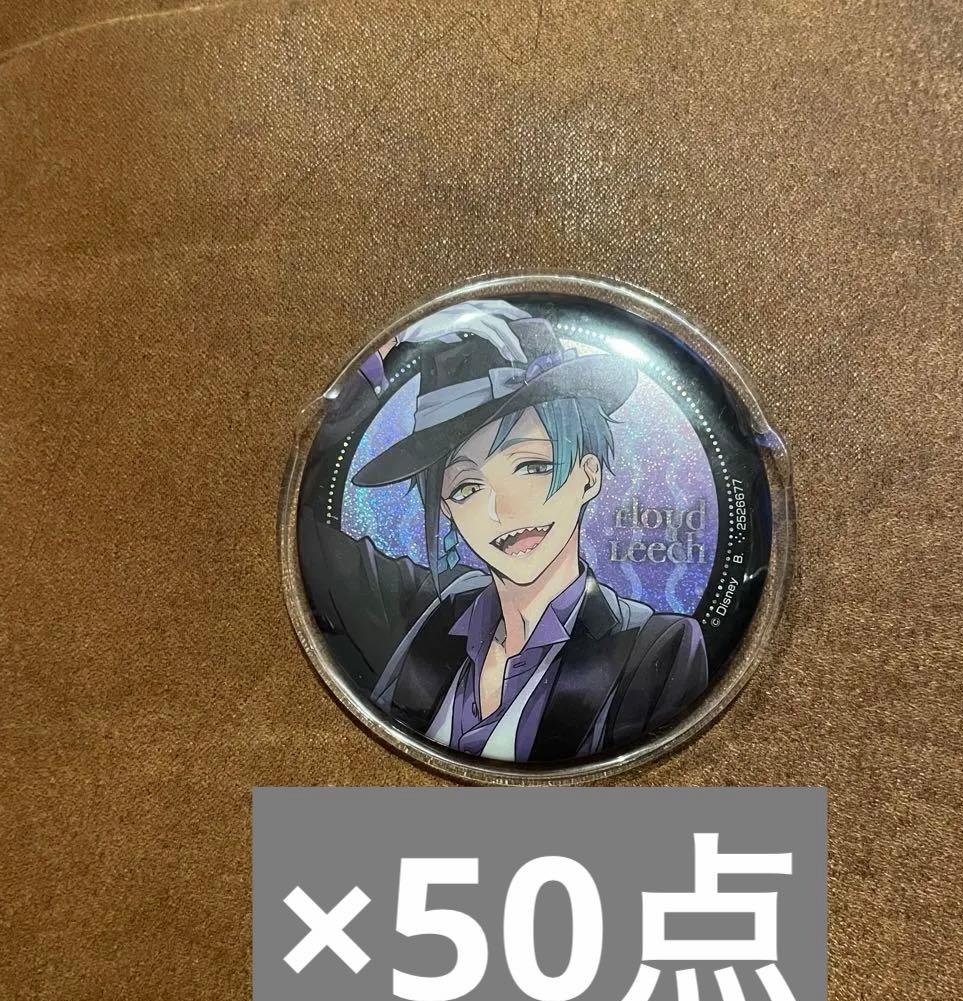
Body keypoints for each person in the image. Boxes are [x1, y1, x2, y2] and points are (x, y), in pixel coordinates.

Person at [299, 302, 708, 763]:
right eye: (468, 487)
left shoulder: (657, 650)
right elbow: (304, 528)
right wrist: (378, 358)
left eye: (532, 466)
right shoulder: (425, 609)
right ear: (446, 508)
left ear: (588, 475)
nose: (503, 511)